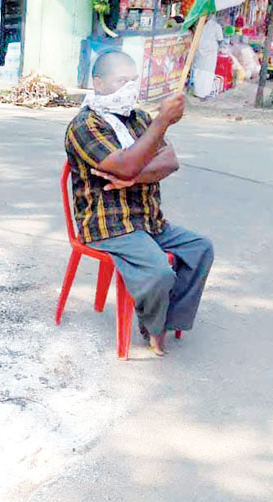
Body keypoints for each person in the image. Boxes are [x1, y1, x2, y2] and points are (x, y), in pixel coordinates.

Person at [65, 51, 214, 356]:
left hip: (149, 220)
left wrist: (132, 178)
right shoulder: (84, 125)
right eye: (121, 81)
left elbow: (169, 161)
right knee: (160, 273)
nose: (129, 88)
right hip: (109, 225)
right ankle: (154, 327)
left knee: (200, 249)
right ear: (99, 82)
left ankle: (169, 318)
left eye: (133, 81)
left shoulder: (139, 119)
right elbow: (126, 164)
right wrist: (162, 122)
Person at [191, 14, 224, 99]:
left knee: (201, 73)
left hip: (206, 53)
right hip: (205, 52)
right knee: (203, 73)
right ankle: (202, 93)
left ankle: (199, 92)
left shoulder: (199, 25)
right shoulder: (215, 26)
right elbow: (220, 40)